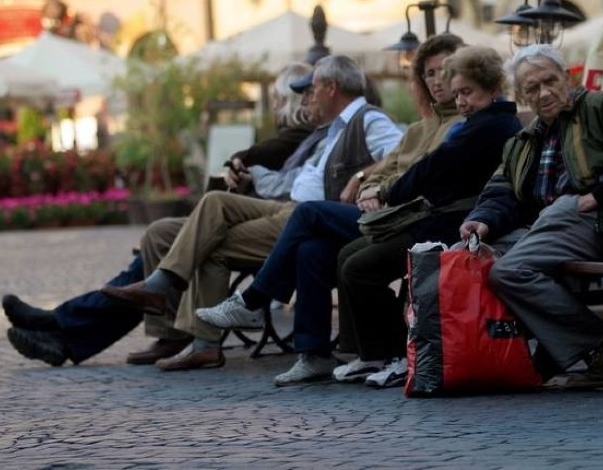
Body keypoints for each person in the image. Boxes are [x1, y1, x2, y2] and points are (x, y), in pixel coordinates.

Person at [198, 43, 522, 386]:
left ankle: (259, 302)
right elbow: (390, 166)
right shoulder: (425, 127)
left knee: (322, 229)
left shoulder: (478, 125)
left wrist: (383, 190)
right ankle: (318, 353)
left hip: (425, 218)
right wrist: (369, 185)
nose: (454, 96)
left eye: (463, 90)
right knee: (313, 249)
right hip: (399, 212)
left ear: (490, 86)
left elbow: (432, 169)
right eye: (430, 75)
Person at [101, 55, 403, 371]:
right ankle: (162, 287)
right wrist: (252, 176)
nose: (308, 97)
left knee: (212, 244)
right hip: (291, 209)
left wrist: (360, 177)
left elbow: (401, 152)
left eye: (311, 89)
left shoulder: (367, 119)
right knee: (213, 203)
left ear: (330, 88)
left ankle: (204, 339)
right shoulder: (333, 130)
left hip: (308, 217)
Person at [3, 63, 317, 367]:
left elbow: (283, 184)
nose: (275, 105)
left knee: (148, 266)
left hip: (268, 225)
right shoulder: (295, 135)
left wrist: (244, 165)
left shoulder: (307, 132)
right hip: (242, 218)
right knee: (157, 236)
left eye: (279, 98)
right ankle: (124, 329)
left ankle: (62, 325)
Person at [459, 43, 603, 390]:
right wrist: (482, 219)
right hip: (552, 228)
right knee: (473, 253)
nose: (544, 93)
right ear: (522, 95)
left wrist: (600, 193)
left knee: (513, 268)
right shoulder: (521, 141)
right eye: (532, 88)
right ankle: (532, 353)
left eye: (550, 81)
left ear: (567, 77)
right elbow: (500, 192)